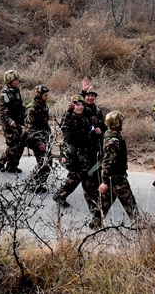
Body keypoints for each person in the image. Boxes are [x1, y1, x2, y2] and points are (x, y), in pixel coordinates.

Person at [54, 95, 101, 228]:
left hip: (85, 153)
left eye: (81, 104)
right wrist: (68, 111)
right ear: (72, 106)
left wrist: (96, 132)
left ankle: (60, 194)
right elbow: (64, 125)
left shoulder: (85, 119)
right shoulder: (70, 118)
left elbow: (89, 134)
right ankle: (93, 206)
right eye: (77, 104)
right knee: (87, 178)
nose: (80, 106)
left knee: (75, 177)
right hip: (75, 154)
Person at [97, 111, 140, 227]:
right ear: (116, 122)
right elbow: (107, 162)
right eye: (121, 121)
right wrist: (105, 182)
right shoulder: (113, 141)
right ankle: (140, 225)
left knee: (105, 203)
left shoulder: (110, 134)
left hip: (114, 175)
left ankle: (95, 223)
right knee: (129, 201)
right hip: (116, 177)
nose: (122, 123)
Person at [23, 85, 52, 193]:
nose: (47, 97)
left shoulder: (43, 106)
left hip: (43, 137)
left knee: (48, 162)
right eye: (45, 95)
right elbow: (29, 129)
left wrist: (49, 134)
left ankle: (39, 184)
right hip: (35, 139)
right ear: (39, 95)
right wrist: (39, 142)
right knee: (43, 162)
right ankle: (32, 183)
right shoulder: (32, 109)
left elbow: (44, 123)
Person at [0, 70, 26, 174]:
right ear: (9, 81)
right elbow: (2, 113)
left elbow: (19, 106)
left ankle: (12, 166)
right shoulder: (4, 95)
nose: (17, 81)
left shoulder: (16, 90)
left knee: (20, 144)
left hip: (18, 122)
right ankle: (1, 160)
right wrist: (10, 121)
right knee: (13, 146)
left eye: (17, 79)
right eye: (15, 80)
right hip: (9, 124)